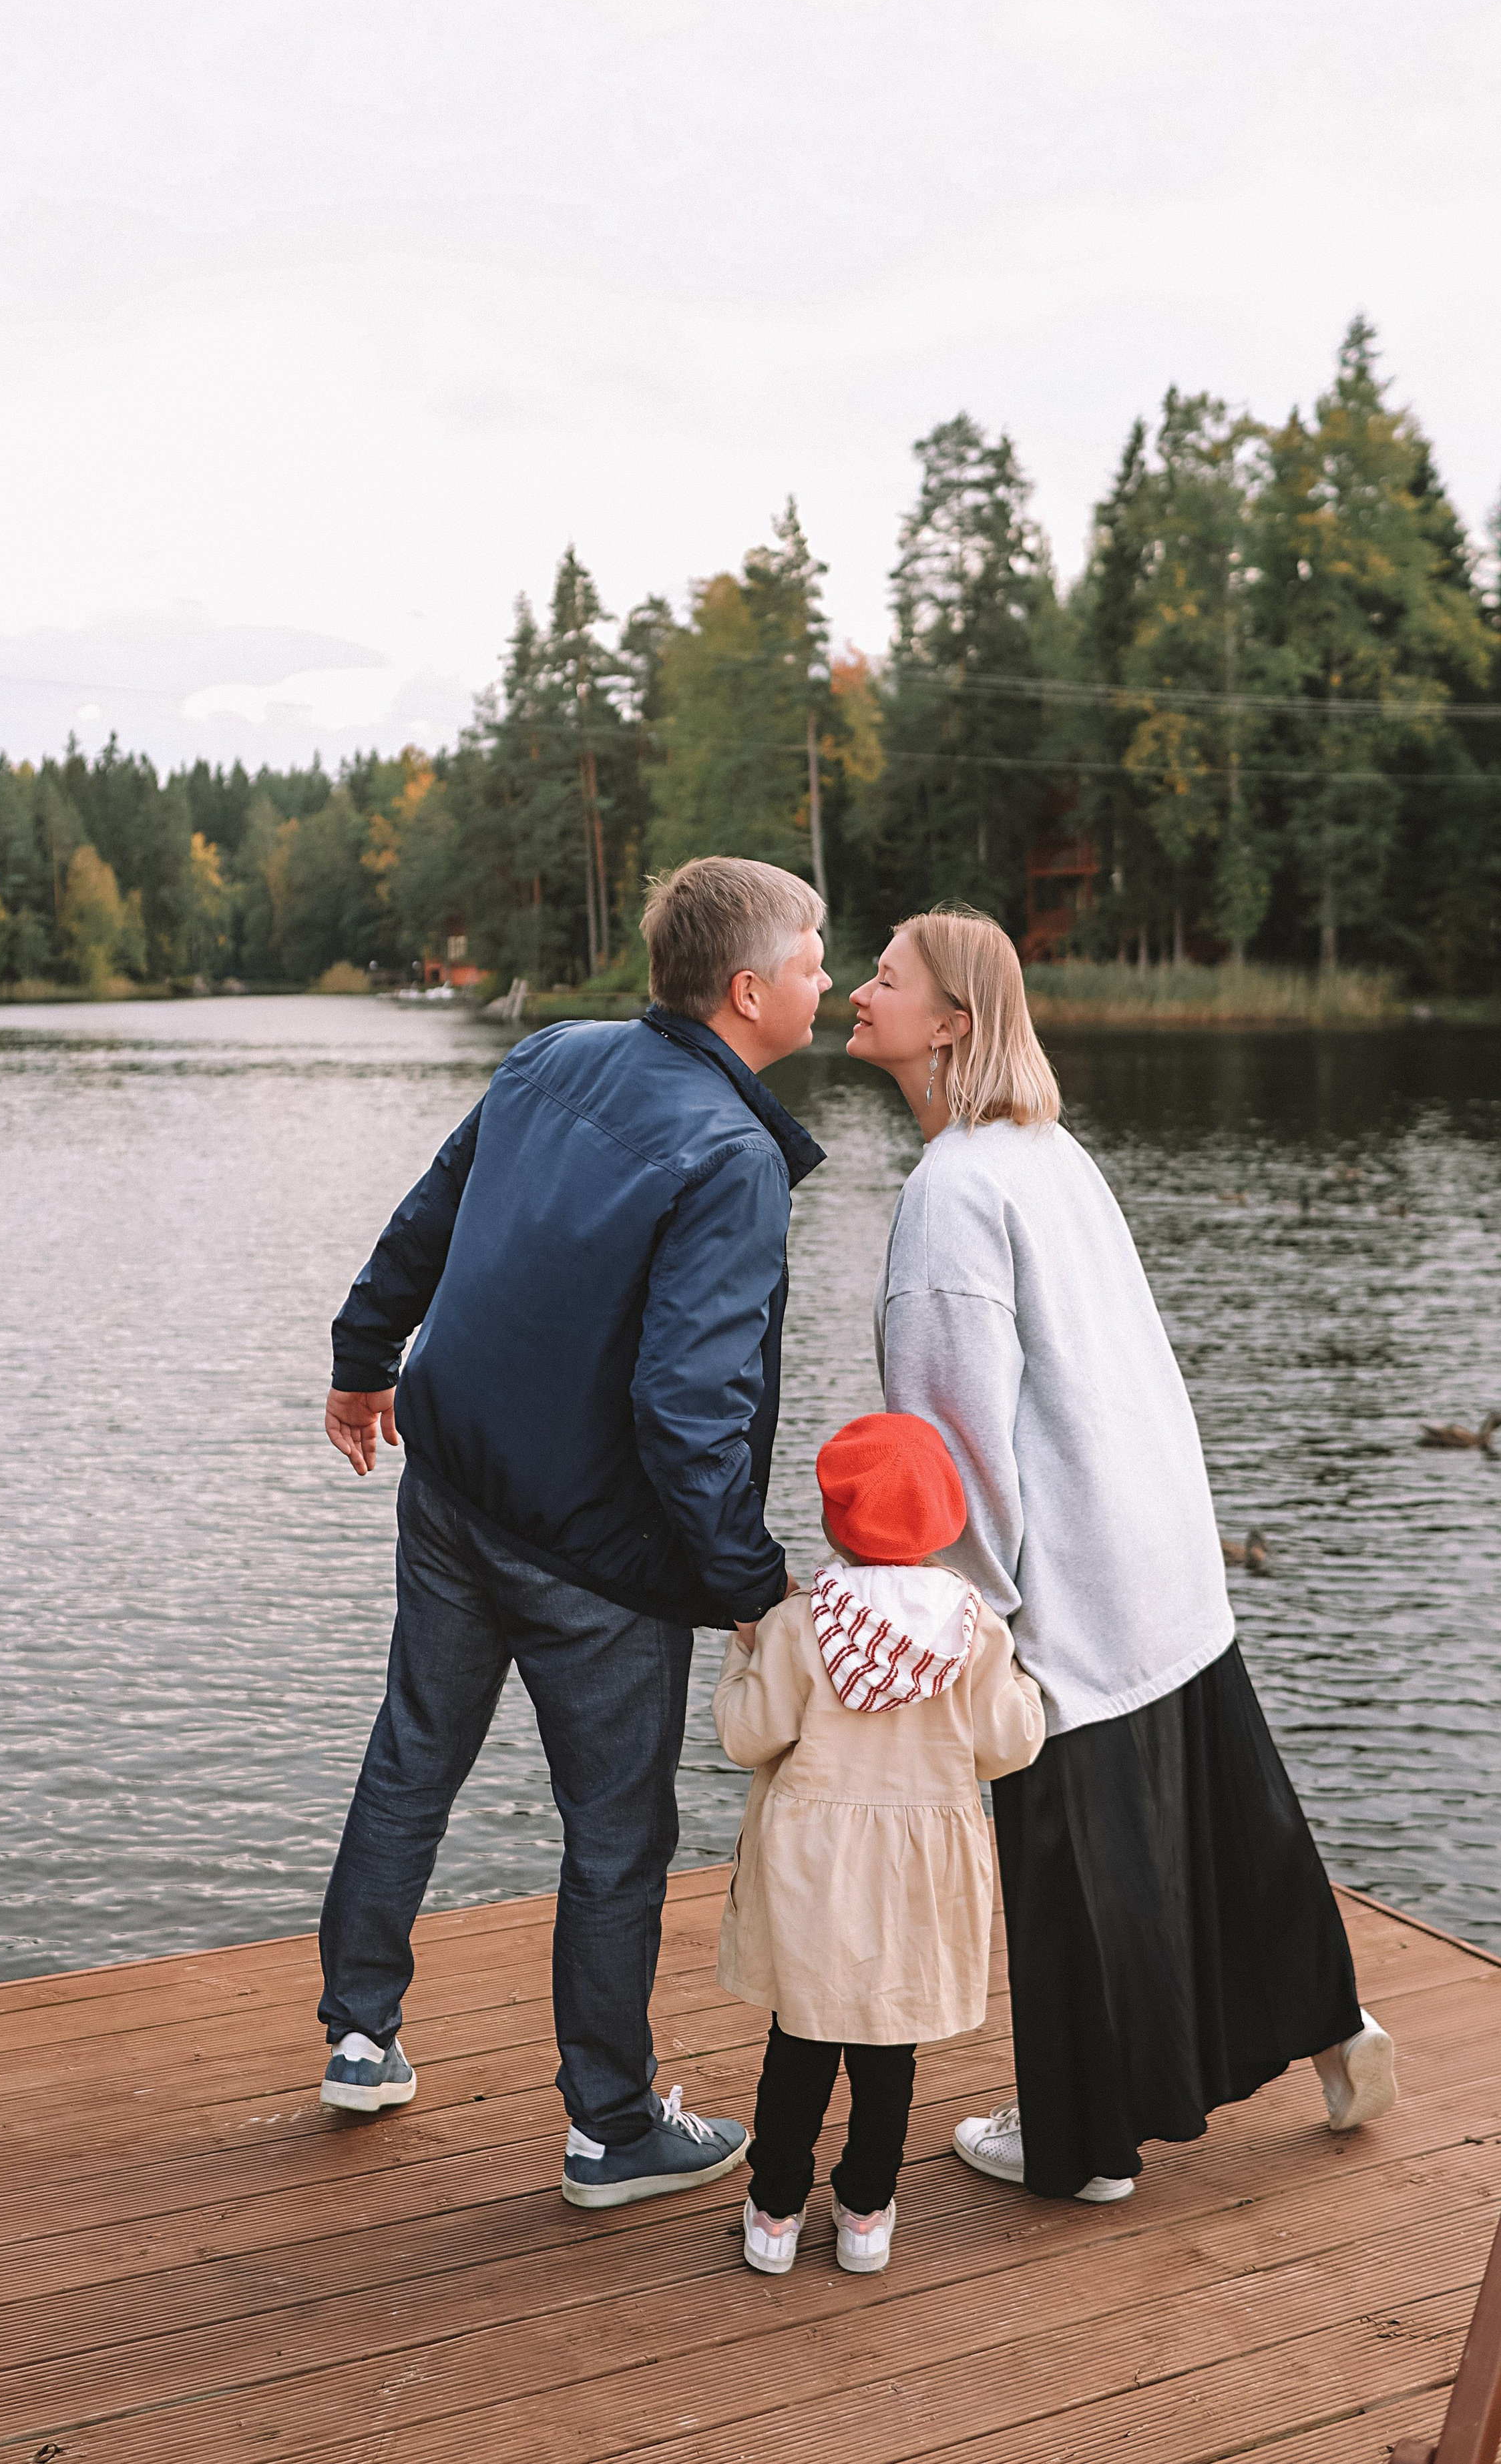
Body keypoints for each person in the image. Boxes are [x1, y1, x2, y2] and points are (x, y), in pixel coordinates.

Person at [845, 902, 1397, 2202]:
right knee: (1222, 1817)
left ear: (952, 1023)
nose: (860, 991)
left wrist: (973, 1615)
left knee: (1072, 1862)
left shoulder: (949, 1191)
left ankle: (1080, 2141)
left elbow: (952, 1433)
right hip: (1157, 1547)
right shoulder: (1046, 1149)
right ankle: (1334, 2029)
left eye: (885, 976)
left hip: (1071, 1574)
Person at [317, 856, 832, 2208]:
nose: (826, 974)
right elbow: (684, 1403)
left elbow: (429, 1211)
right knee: (614, 1834)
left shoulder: (552, 1053)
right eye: (814, 953)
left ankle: (359, 2037)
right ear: (746, 990)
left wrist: (364, 1349)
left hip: (454, 1488)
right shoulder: (731, 1155)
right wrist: (744, 1578)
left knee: (412, 1750)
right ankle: (609, 2123)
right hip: (589, 1556)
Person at [712, 1409, 1046, 2274]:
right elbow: (1009, 1744)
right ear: (948, 1521)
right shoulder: (971, 1630)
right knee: (887, 2046)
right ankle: (865, 2211)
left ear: (833, 1522)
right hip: (919, 1868)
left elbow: (750, 1736)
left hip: (815, 1864)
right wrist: (1023, 1685)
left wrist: (739, 1657)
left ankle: (776, 2209)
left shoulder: (802, 1624)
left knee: (802, 2039)